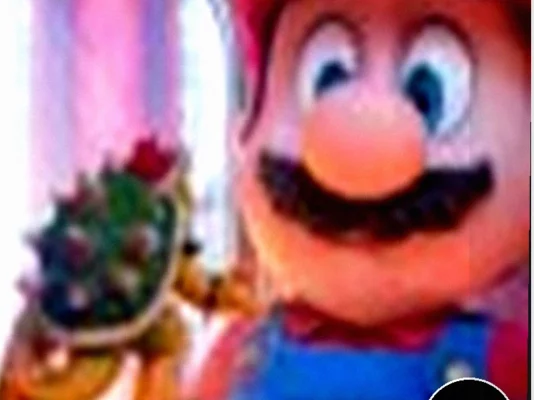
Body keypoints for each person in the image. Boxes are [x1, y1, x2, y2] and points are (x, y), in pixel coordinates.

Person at [194, 0, 530, 398]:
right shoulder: (239, 357)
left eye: (427, 92)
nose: (358, 126)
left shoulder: (506, 363)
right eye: (327, 78)